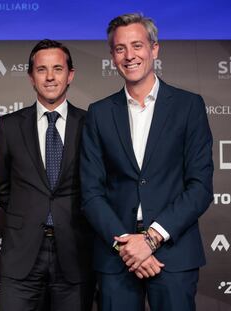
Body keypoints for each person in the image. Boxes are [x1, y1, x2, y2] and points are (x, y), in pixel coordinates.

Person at [80, 13, 213, 311]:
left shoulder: (189, 106)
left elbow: (200, 187)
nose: (130, 56)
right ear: (112, 57)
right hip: (117, 257)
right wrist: (127, 245)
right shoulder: (99, 113)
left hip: (174, 253)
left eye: (137, 45)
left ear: (154, 49)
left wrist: (151, 239)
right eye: (120, 49)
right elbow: (91, 192)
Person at [0, 39, 94, 311]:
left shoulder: (91, 124)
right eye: (42, 70)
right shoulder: (10, 125)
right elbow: (1, 185)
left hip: (75, 250)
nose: (50, 77)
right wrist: (28, 212)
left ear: (70, 74)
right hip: (22, 252)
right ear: (31, 77)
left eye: (58, 69)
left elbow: (98, 186)